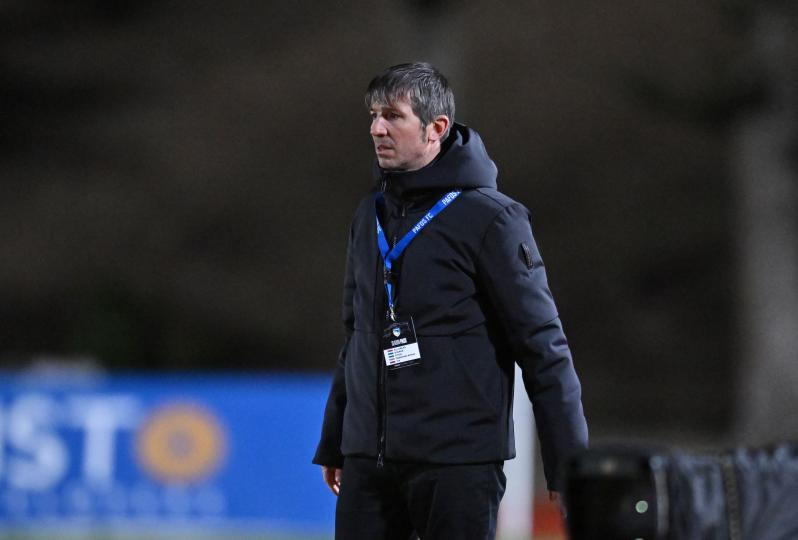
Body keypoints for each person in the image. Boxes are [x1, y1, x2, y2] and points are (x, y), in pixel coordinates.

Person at [313, 62, 588, 540]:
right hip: (369, 463)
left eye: (393, 116)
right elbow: (357, 333)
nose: (376, 129)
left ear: (436, 128)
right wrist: (338, 440)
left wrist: (569, 467)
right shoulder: (369, 214)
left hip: (458, 464)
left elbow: (544, 348)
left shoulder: (492, 219)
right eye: (374, 115)